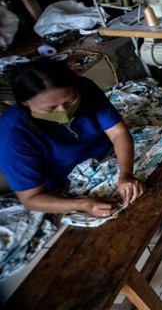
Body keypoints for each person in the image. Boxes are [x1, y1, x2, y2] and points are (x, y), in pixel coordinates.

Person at [0, 59, 144, 218]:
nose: (63, 111)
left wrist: (125, 174)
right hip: (66, 185)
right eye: (50, 108)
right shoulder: (13, 134)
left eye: (70, 101)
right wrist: (84, 204)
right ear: (25, 103)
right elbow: (31, 197)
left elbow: (118, 133)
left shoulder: (85, 88)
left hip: (112, 157)